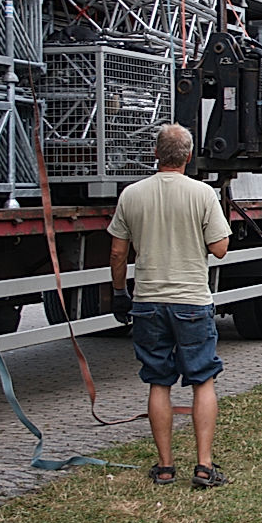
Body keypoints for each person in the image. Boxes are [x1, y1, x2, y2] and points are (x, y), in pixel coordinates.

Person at [108, 123, 232, 488]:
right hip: (191, 301)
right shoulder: (202, 194)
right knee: (202, 379)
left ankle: (164, 467)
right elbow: (220, 248)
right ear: (189, 156)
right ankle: (204, 466)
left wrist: (119, 293)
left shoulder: (131, 194)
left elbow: (118, 251)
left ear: (156, 155)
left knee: (158, 381)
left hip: (147, 300)